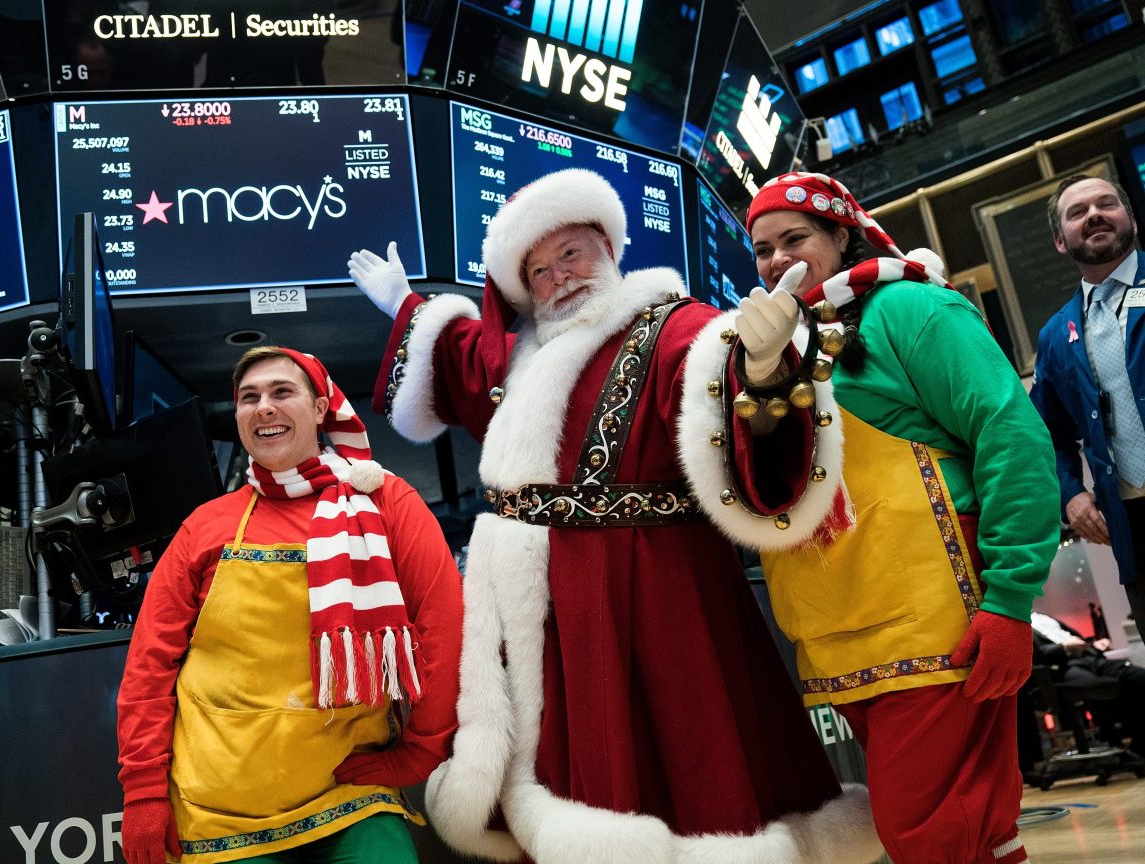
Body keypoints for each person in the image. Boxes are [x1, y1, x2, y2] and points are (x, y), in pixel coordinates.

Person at [347, 168, 882, 864]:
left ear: (606, 244)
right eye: (537, 270)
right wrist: (405, 306)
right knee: (570, 776)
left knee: (692, 773)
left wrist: (760, 370)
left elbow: (733, 408)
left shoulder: (676, 328)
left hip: (651, 597)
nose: (558, 277)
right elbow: (469, 359)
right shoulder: (529, 358)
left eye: (570, 253)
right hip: (547, 616)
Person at [745, 171, 1059, 864]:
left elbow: (1012, 436)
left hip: (933, 629)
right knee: (969, 832)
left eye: (793, 238)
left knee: (931, 835)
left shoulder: (913, 309)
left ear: (840, 234)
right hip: (849, 637)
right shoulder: (788, 345)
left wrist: (1009, 602)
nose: (775, 260)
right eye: (761, 248)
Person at [116, 347, 464, 864]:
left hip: (349, 795)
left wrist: (422, 750)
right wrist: (143, 793)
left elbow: (444, 630)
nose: (264, 407)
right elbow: (149, 668)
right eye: (248, 398)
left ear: (321, 408)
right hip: (219, 807)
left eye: (283, 392)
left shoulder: (388, 504)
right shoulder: (204, 528)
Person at [1032, 174, 1145, 625]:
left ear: (1131, 219)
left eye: (1106, 204)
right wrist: (1072, 495)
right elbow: (1049, 435)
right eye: (1077, 212)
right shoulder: (1056, 335)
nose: (1094, 214)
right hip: (1132, 527)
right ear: (1061, 241)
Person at [1030, 610, 1145, 749]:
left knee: (1137, 676)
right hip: (1061, 667)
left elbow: (1076, 638)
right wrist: (1063, 648)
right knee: (1099, 684)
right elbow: (1033, 655)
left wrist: (1094, 644)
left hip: (1090, 658)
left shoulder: (1043, 616)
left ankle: (1139, 742)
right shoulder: (1019, 622)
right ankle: (1112, 742)